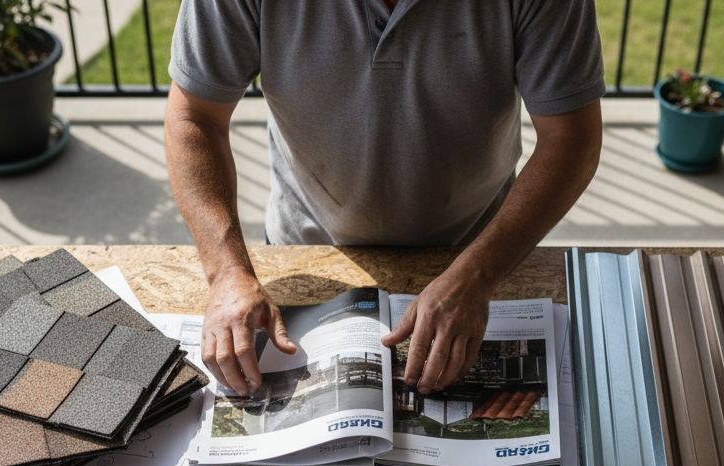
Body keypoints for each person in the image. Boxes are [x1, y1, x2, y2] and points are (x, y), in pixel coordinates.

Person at [165, 0, 605, 397]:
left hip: (478, 249)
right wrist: (226, 274)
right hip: (308, 248)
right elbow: (194, 116)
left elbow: (571, 138)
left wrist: (478, 275)